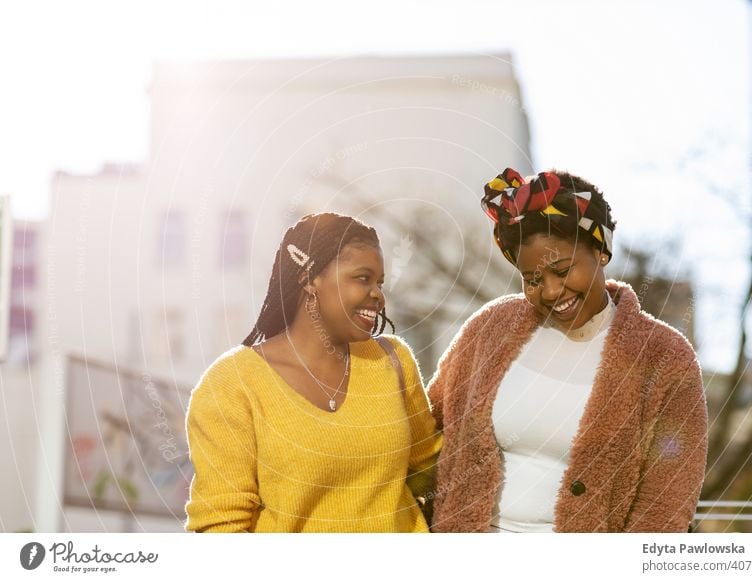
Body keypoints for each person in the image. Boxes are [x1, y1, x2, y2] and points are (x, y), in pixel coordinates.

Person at [428, 168, 707, 532]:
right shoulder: (489, 329)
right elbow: (423, 433)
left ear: (600, 251)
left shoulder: (665, 358)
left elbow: (667, 502)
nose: (549, 291)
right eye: (532, 279)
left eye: (562, 270)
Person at [184, 212, 441, 532]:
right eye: (363, 278)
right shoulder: (232, 384)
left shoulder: (392, 360)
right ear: (308, 279)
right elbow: (221, 527)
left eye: (380, 282)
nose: (377, 294)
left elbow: (431, 472)